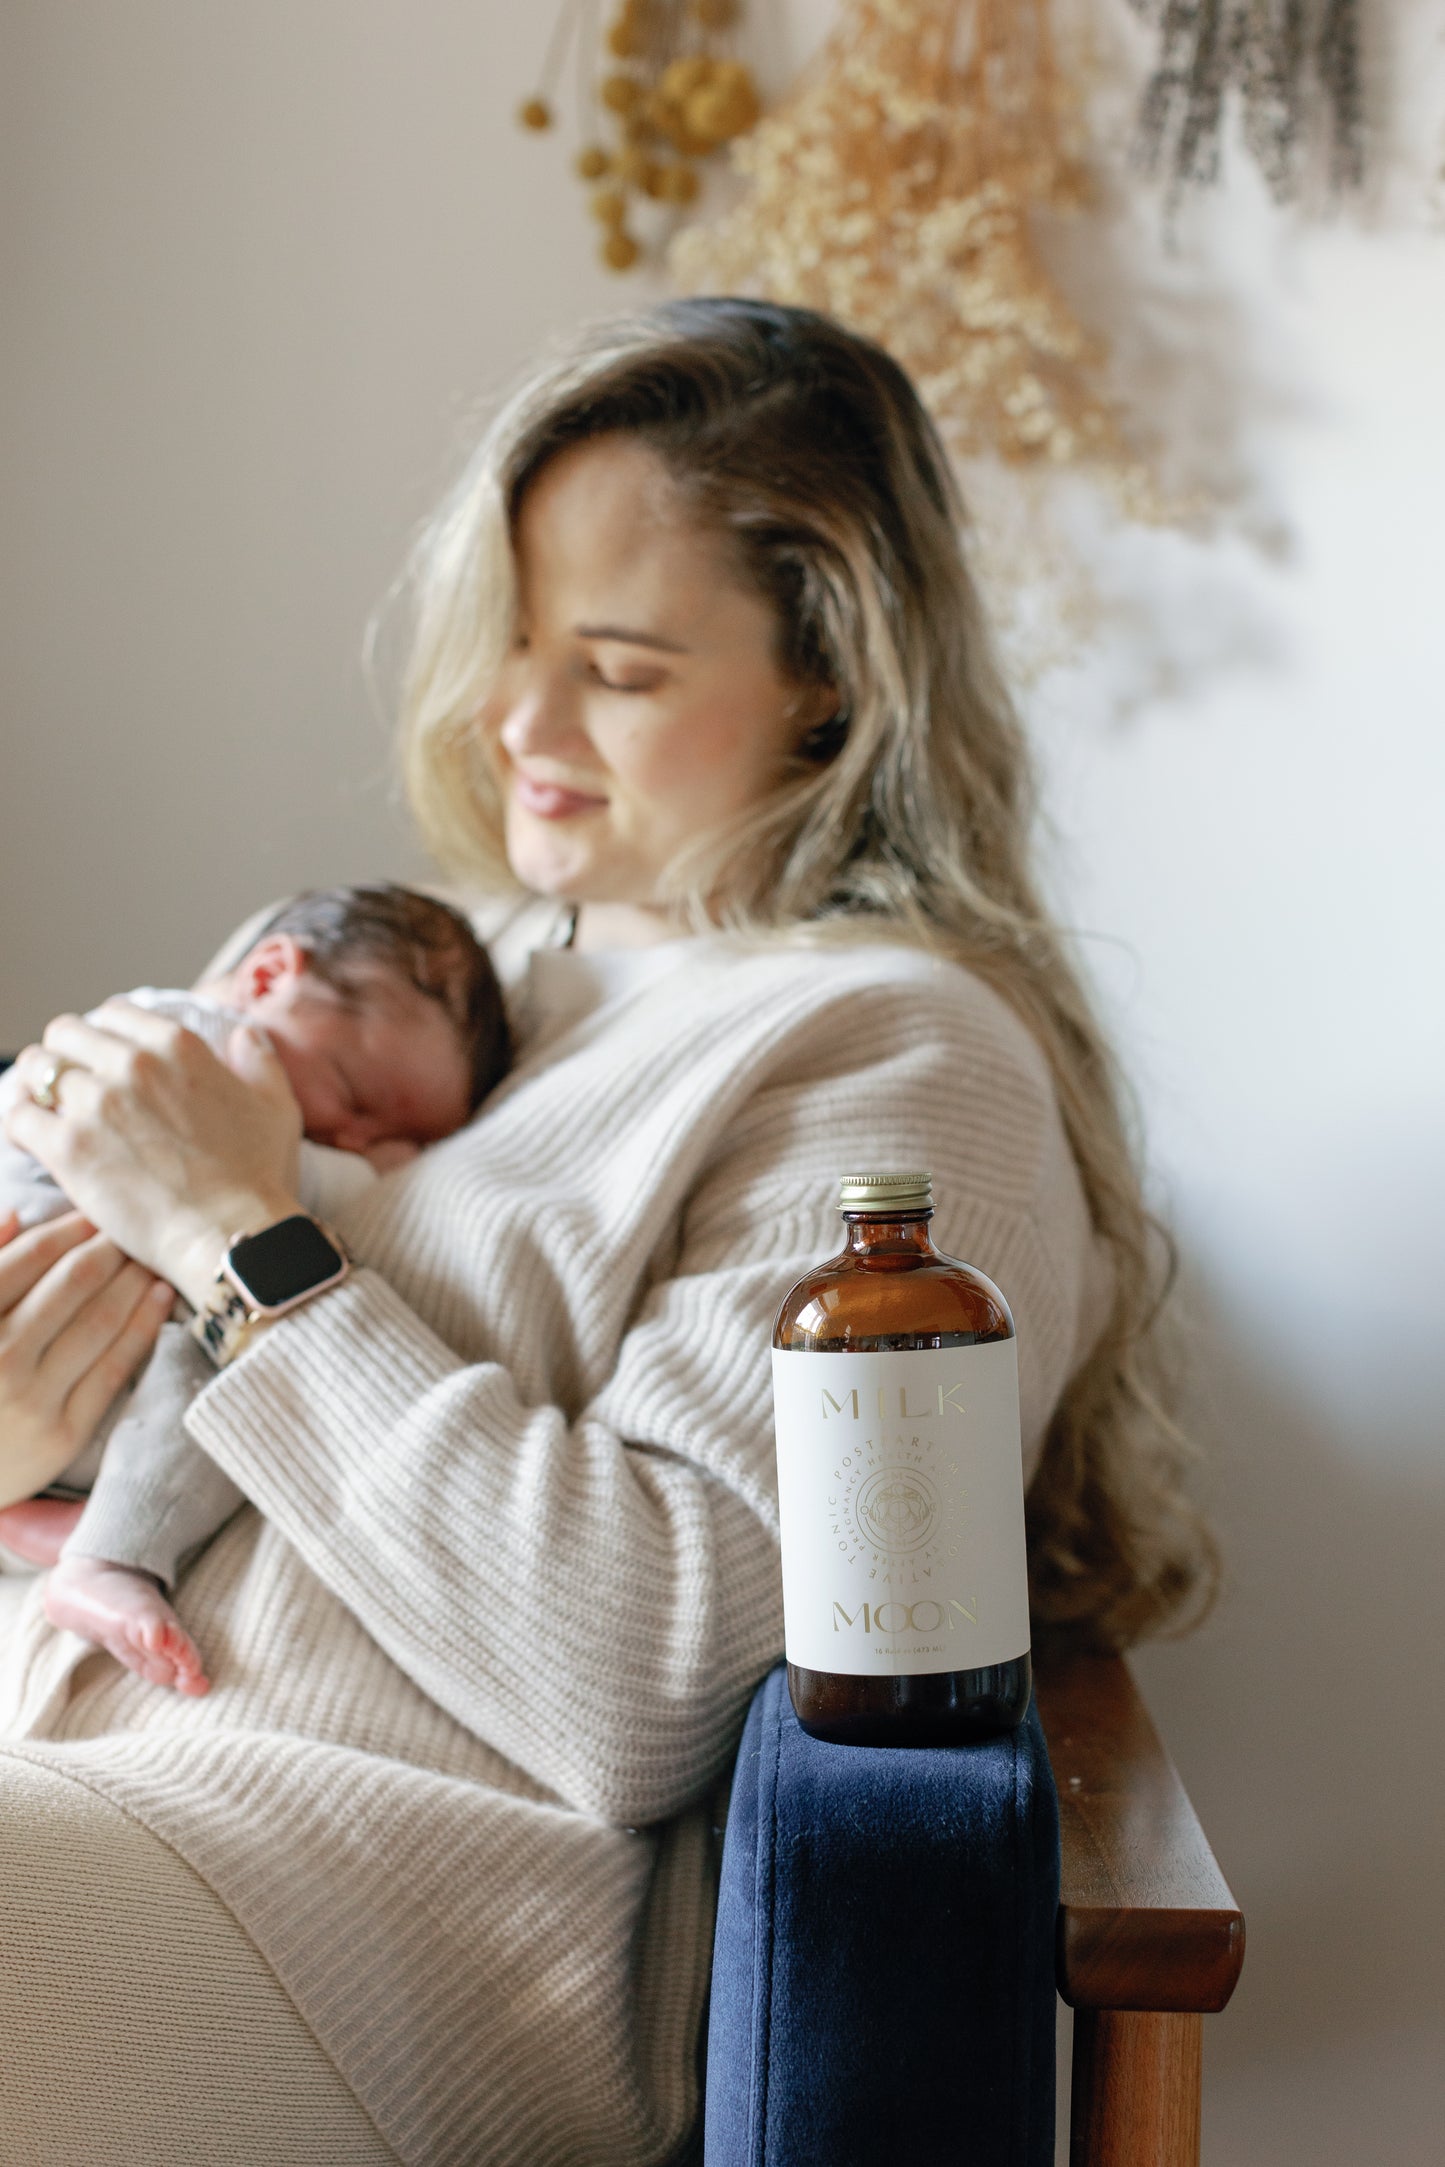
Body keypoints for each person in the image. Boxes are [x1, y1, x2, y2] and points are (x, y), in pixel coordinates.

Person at [0, 299, 1215, 2165]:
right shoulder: (443, 974)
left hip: (335, 1921)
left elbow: (639, 1673)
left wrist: (240, 1238)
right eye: (514, 643)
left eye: (621, 669)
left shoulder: (893, 1049)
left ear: (833, 681)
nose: (517, 720)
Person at [0, 882, 508, 1696]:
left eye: (401, 1135)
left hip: (59, 1352)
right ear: (269, 976)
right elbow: (248, 1168)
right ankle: (109, 1555)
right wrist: (378, 1169)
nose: (354, 1135)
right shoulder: (189, 1045)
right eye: (353, 1095)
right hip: (50, 1260)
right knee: (233, 1373)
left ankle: (35, 1519)